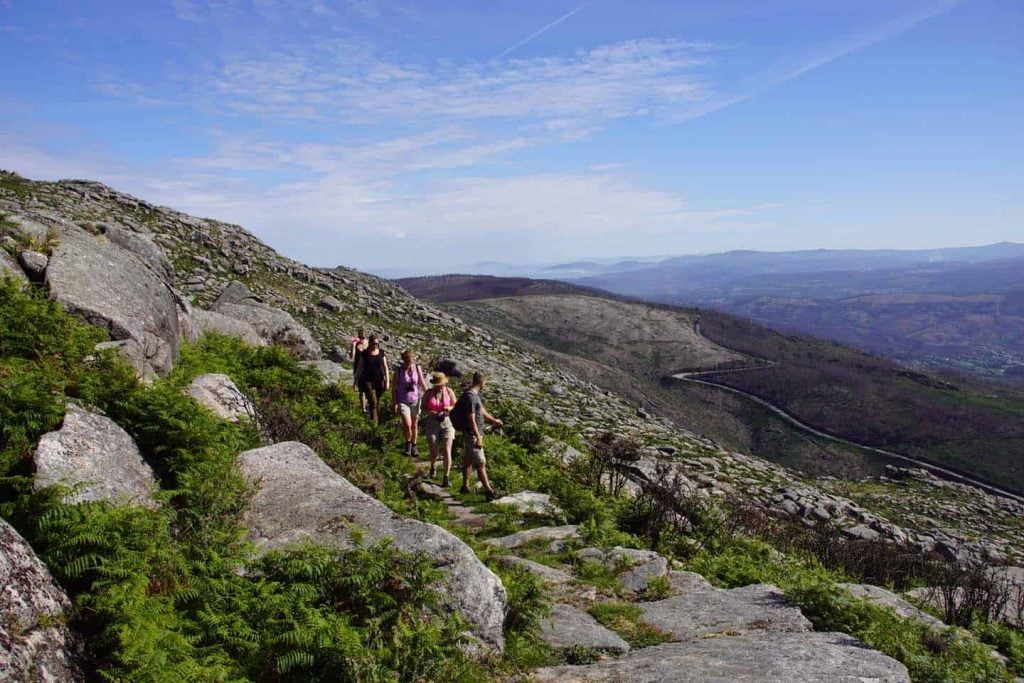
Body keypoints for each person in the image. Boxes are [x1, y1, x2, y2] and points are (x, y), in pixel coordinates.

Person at [457, 371, 503, 500]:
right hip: (473, 434)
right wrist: (477, 437)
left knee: (469, 460)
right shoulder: (471, 397)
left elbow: (481, 410)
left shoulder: (474, 395)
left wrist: (493, 420)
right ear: (481, 382)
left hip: (473, 433)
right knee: (481, 462)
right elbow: (471, 418)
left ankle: (464, 487)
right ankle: (489, 492)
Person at [423, 371, 457, 486]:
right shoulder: (428, 393)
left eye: (441, 385)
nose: (440, 387)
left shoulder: (449, 392)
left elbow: (455, 405)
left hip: (447, 422)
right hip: (432, 422)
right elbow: (423, 408)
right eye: (438, 385)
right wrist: (430, 412)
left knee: (447, 450)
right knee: (434, 450)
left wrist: (449, 408)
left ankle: (446, 477)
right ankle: (433, 466)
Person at [393, 349, 428, 457]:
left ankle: (414, 445)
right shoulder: (399, 371)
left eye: (411, 360)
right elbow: (394, 387)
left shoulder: (417, 368)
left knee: (414, 424)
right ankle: (408, 443)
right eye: (407, 360)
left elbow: (422, 382)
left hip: (415, 400)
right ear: (404, 360)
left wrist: (428, 395)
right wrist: (395, 402)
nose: (409, 362)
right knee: (407, 424)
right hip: (403, 400)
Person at [355, 335, 388, 424]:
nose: (375, 345)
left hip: (379, 380)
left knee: (378, 401)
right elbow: (359, 367)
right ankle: (374, 423)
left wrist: (387, 381)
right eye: (373, 344)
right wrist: (355, 381)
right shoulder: (365, 354)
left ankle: (375, 419)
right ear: (370, 343)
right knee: (373, 401)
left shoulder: (381, 353)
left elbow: (385, 367)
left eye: (377, 344)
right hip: (367, 380)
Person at [349, 329, 369, 412]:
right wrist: (353, 345)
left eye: (363, 337)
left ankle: (367, 405)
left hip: (368, 368)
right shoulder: (356, 344)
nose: (362, 338)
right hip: (358, 367)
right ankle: (363, 408)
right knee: (361, 390)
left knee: (368, 388)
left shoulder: (369, 343)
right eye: (360, 337)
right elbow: (352, 356)